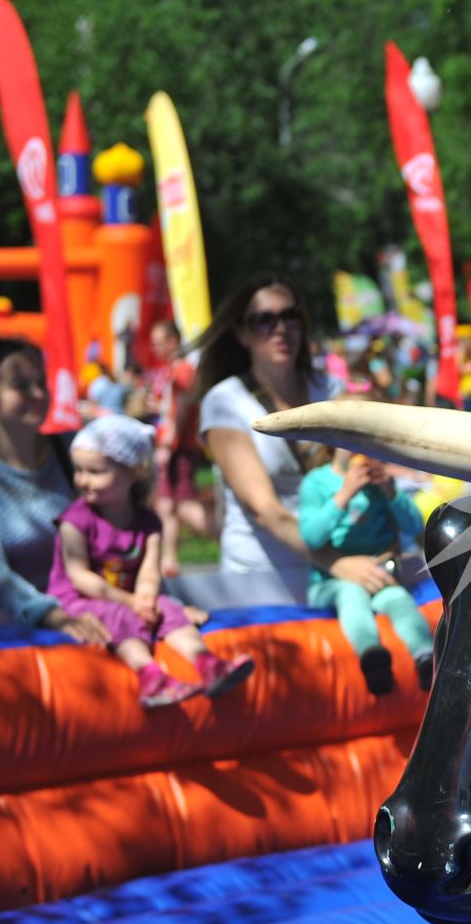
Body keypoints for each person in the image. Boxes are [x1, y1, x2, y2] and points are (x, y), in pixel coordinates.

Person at [195, 273, 393, 599]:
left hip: (345, 573)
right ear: (242, 334)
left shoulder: (331, 390)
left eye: (291, 315)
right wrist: (337, 563)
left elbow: (372, 468)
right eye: (264, 320)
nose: (281, 328)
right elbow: (265, 510)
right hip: (264, 577)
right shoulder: (225, 402)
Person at [48, 415, 255, 707]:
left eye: (95, 471)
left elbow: (149, 571)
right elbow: (80, 576)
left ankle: (208, 664)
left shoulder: (147, 523)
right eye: (78, 470)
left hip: (129, 598)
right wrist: (131, 602)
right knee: (119, 615)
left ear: (131, 474)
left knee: (168, 607)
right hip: (78, 600)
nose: (83, 480)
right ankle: (150, 677)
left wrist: (145, 596)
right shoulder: (76, 520)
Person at [0, 338, 104, 643]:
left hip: (83, 616)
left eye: (41, 382)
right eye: (21, 385)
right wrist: (52, 615)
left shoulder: (73, 449)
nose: (38, 393)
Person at [298, 445, 435, 695]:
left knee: (399, 599)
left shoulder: (380, 482)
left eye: (367, 440)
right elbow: (310, 538)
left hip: (378, 577)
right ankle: (372, 657)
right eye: (349, 441)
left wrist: (390, 491)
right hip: (331, 582)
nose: (359, 448)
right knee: (352, 594)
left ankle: (426, 657)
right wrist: (344, 494)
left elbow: (414, 525)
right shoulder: (316, 482)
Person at [143, 319, 217, 576]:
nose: (155, 348)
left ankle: (224, 538)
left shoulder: (182, 370)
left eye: (159, 343)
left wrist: (167, 444)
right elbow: (174, 408)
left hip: (179, 447)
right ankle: (169, 560)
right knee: (167, 505)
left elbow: (182, 412)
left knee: (182, 504)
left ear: (173, 342)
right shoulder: (175, 370)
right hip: (177, 445)